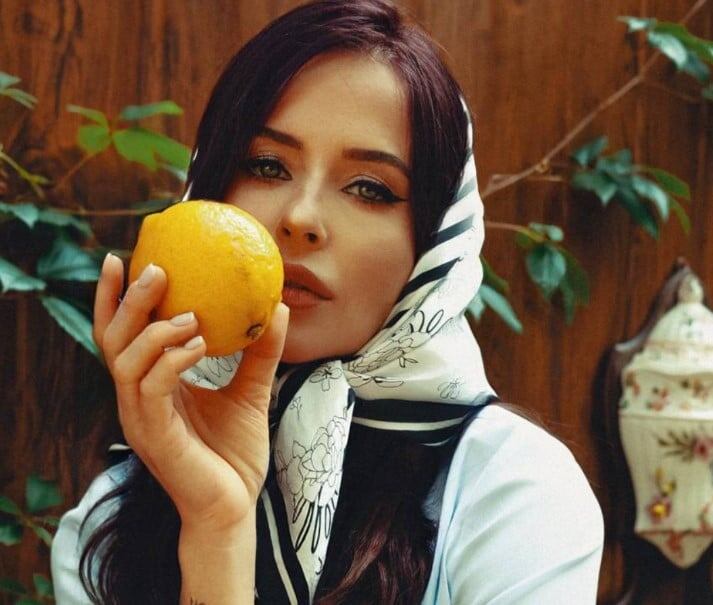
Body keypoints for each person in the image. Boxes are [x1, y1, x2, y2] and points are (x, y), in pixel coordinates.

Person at [50, 0, 605, 603]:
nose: (301, 217)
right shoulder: (105, 532)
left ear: (434, 241)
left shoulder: (514, 496)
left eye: (370, 188)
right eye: (266, 165)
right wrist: (215, 525)